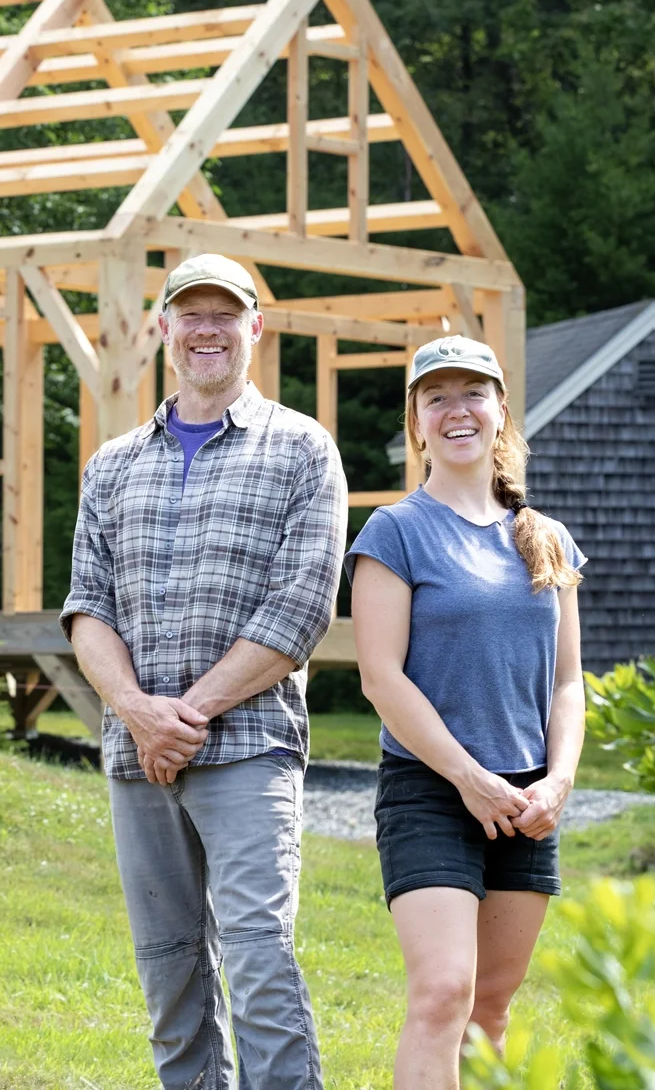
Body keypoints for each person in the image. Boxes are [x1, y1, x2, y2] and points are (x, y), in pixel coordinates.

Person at [61, 253, 347, 1090]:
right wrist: (135, 713)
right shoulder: (111, 465)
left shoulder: (302, 449)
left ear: (255, 328)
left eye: (227, 314)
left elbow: (300, 611)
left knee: (261, 963)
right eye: (192, 313)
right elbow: (89, 608)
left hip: (251, 749)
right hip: (135, 759)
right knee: (169, 973)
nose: (208, 329)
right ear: (164, 329)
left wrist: (180, 715)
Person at [344, 335, 586, 1089]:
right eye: (436, 397)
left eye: (472, 393)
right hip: (431, 789)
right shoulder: (395, 531)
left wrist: (559, 783)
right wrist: (467, 777)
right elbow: (382, 679)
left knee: (492, 1006)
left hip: (526, 799)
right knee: (444, 991)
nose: (457, 410)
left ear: (500, 410)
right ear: (416, 422)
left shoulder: (545, 538)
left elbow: (568, 682)